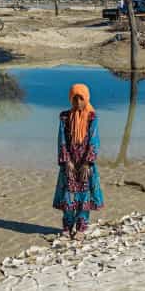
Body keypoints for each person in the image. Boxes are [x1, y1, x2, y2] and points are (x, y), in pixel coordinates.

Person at [53, 83, 104, 238]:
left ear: (86, 98)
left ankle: (81, 227)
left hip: (85, 164)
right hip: (69, 163)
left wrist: (88, 162)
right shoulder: (64, 117)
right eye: (75, 99)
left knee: (84, 196)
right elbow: (62, 140)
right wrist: (67, 161)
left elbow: (94, 140)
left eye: (81, 98)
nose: (78, 102)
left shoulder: (92, 117)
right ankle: (67, 226)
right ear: (70, 99)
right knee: (68, 195)